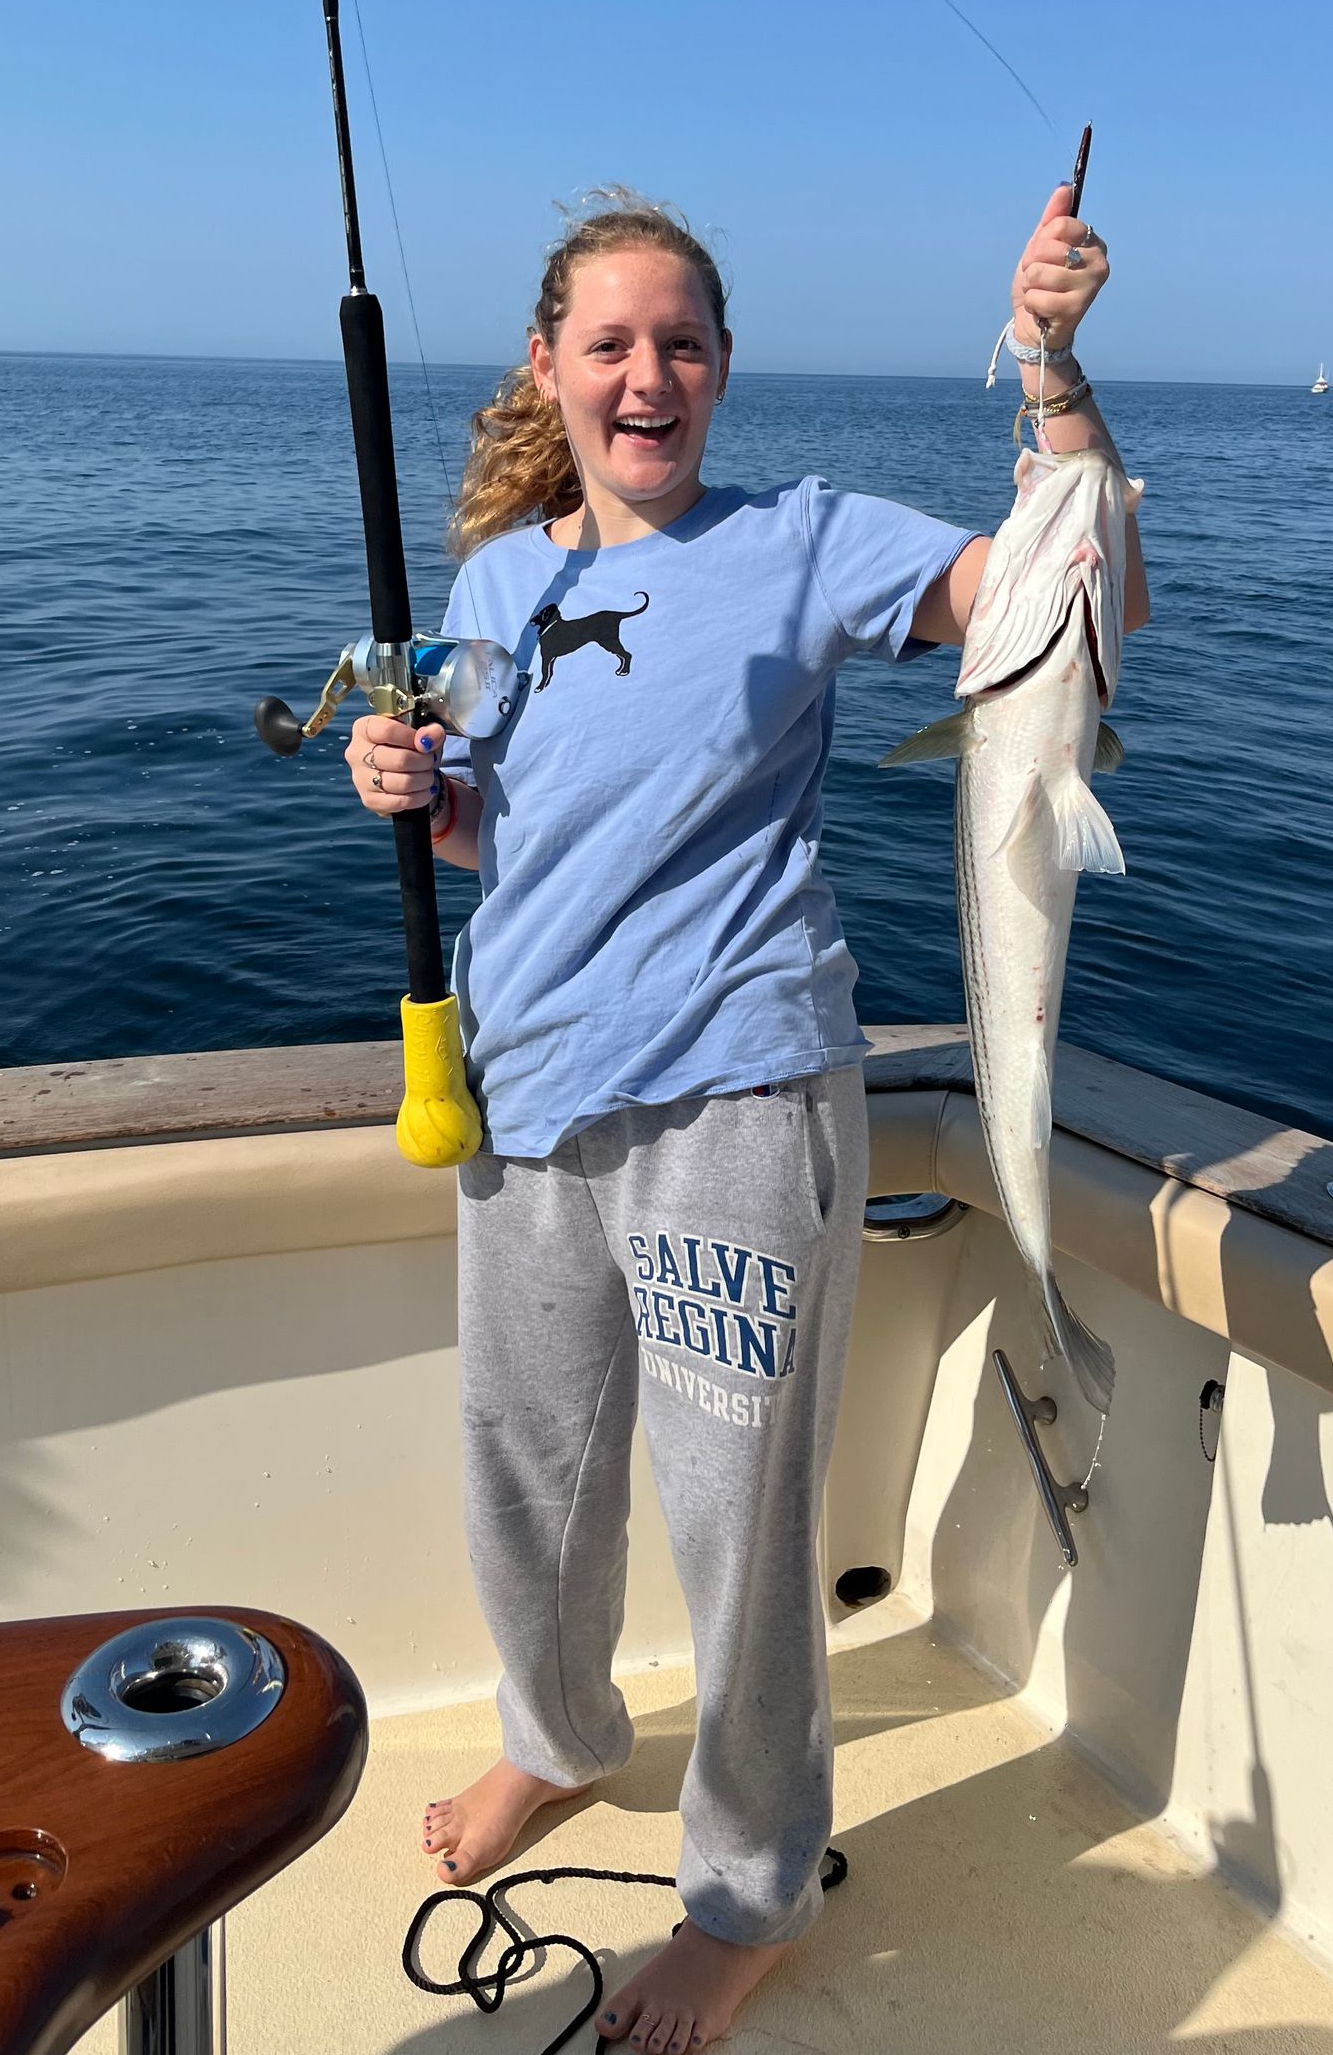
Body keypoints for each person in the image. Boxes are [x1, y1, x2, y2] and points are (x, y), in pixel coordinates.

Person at [347, 182, 1143, 2051]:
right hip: (527, 1094)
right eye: (610, 344)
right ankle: (556, 1736)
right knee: (524, 1479)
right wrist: (408, 780)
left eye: (681, 344)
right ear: (549, 365)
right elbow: (488, 823)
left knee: (739, 1522)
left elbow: (1057, 580)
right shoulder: (491, 585)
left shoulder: (798, 542)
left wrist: (1052, 373)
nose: (648, 376)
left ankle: (750, 1890)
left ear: (721, 370)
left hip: (738, 1093)